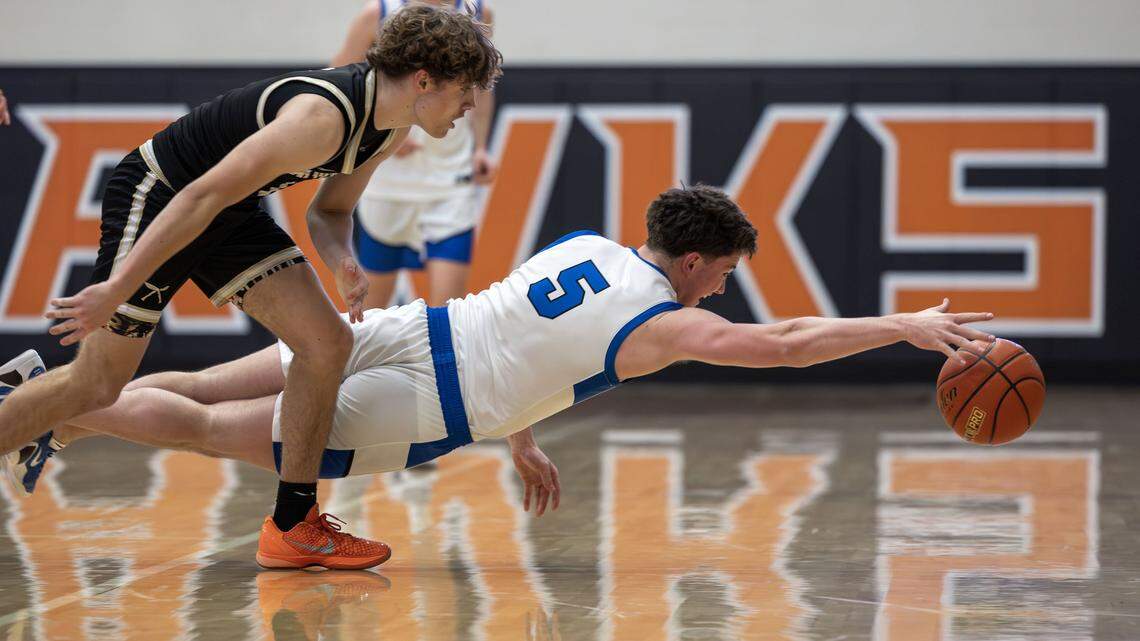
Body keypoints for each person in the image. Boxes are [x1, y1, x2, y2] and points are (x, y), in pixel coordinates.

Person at [1, 186, 995, 568]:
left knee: (202, 382)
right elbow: (786, 343)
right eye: (725, 272)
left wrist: (522, 435)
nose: (725, 289)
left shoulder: (591, 246)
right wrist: (902, 325)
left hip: (403, 328)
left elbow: (525, 338)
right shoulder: (663, 322)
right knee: (203, 430)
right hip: (424, 399)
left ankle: (52, 401)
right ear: (694, 261)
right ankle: (44, 412)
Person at [0, 4, 501, 571]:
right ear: (424, 80)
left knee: (327, 344)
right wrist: (118, 287)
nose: (471, 105)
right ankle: (17, 405)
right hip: (164, 193)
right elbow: (199, 196)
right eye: (466, 89)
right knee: (97, 382)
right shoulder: (322, 117)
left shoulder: (389, 128)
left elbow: (329, 212)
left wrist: (342, 260)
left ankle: (293, 525)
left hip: (227, 212)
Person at [332, 0, 498, 308]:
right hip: (389, 185)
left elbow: (483, 88)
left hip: (449, 180)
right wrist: (383, 132)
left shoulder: (477, 11)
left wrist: (481, 148)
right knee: (371, 317)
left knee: (449, 314)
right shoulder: (378, 13)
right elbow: (339, 86)